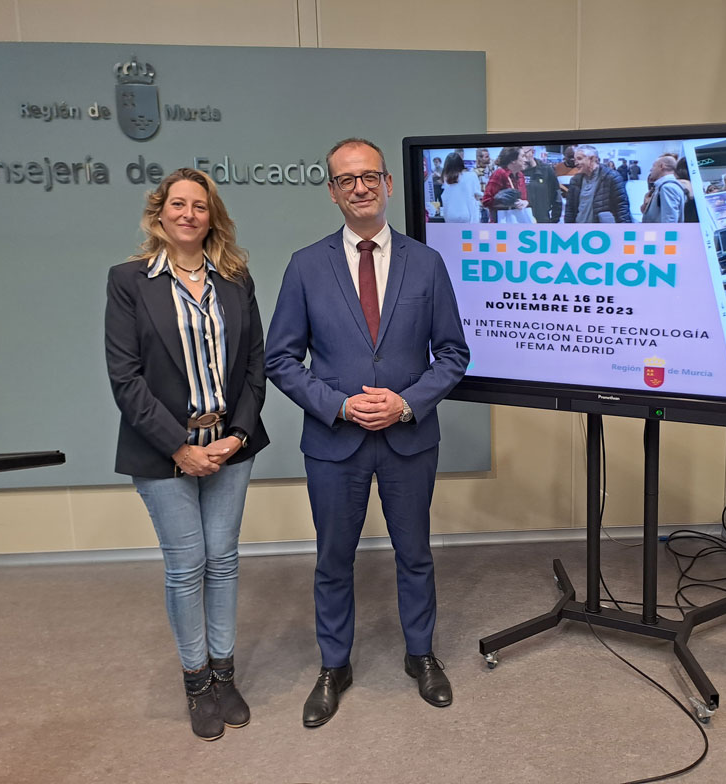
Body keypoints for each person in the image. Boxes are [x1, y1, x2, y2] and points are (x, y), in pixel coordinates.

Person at [265, 138, 469, 727]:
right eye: (346, 179)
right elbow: (280, 359)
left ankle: (421, 655)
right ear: (332, 191)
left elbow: (453, 354)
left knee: (415, 556)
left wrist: (405, 403)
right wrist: (341, 405)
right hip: (335, 441)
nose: (360, 186)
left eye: (369, 176)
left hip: (409, 438)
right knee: (333, 558)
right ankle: (334, 665)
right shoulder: (306, 265)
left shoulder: (425, 263)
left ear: (386, 183)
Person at [105, 168, 269, 741]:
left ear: (211, 216)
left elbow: (255, 365)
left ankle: (225, 675)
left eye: (200, 206)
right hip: (161, 449)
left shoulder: (236, 278)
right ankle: (196, 682)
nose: (189, 214)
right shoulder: (129, 282)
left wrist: (237, 435)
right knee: (187, 565)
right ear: (159, 214)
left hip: (228, 443)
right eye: (178, 204)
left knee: (223, 558)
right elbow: (125, 379)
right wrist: (179, 447)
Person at [564, 145, 632, 223]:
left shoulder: (612, 177)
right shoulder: (575, 180)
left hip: (601, 233)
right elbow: (570, 209)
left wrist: (623, 230)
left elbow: (622, 208)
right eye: (575, 160)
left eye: (579, 159)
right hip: (579, 231)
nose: (575, 163)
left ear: (592, 159)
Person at [481, 146, 529, 223]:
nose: (525, 160)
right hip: (501, 224)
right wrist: (502, 202)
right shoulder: (499, 174)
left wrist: (525, 202)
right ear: (513, 160)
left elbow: (524, 198)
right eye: (523, 156)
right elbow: (486, 201)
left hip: (518, 223)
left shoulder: (520, 175)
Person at [641, 155, 692, 223]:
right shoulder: (665, 186)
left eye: (653, 166)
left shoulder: (668, 187)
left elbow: (669, 220)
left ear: (662, 166)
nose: (651, 169)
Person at [521, 145, 562, 223]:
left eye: (524, 153)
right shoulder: (515, 171)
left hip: (543, 220)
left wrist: (554, 220)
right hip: (522, 221)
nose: (522, 157)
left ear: (532, 152)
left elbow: (556, 196)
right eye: (519, 155)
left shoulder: (546, 170)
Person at [438, 152, 482, 223]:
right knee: (468, 234)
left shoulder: (446, 179)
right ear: (460, 163)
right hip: (467, 215)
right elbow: (478, 195)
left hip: (450, 215)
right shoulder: (472, 176)